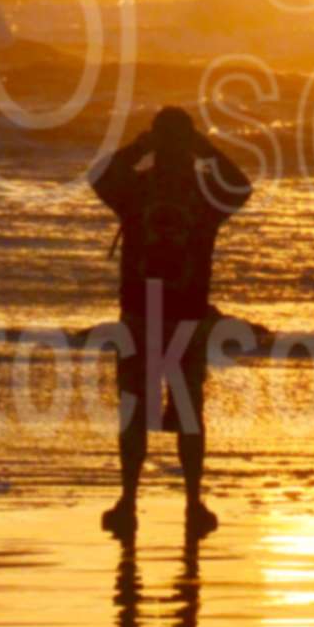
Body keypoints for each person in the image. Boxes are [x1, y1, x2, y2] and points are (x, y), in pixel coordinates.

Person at [90, 105, 252, 537]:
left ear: (156, 144)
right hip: (186, 311)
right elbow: (240, 186)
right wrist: (205, 148)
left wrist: (139, 146)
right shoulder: (204, 195)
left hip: (141, 311)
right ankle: (193, 504)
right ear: (189, 145)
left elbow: (100, 176)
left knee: (134, 411)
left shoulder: (136, 190)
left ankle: (128, 501)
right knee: (188, 412)